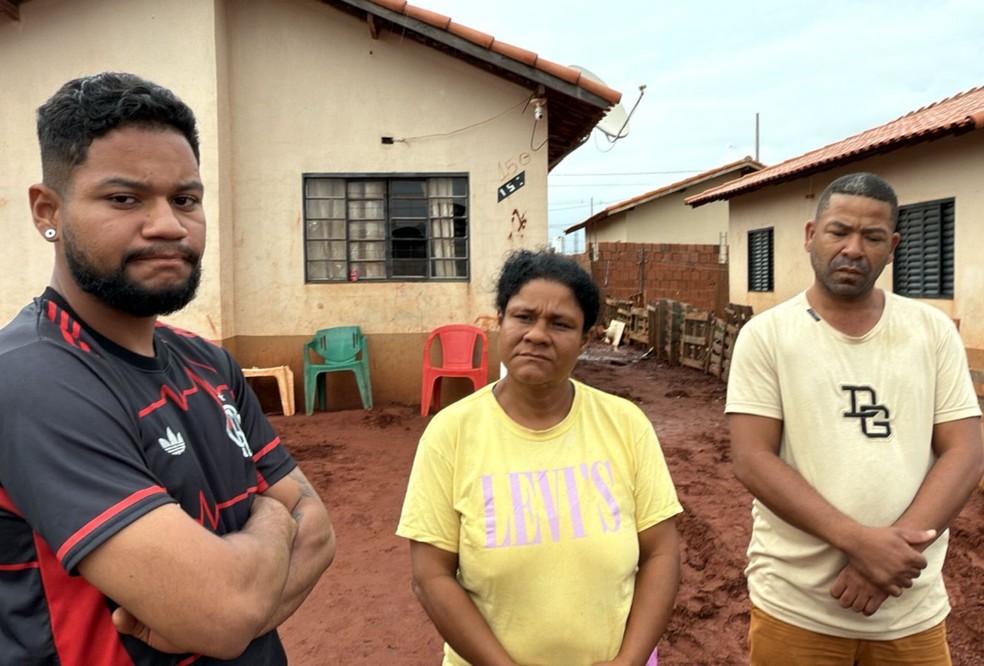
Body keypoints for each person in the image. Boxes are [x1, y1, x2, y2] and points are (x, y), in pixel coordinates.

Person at [0, 72, 336, 664]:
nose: (169, 225)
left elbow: (319, 531)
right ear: (47, 209)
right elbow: (223, 609)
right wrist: (272, 523)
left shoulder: (209, 364)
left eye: (185, 200)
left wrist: (238, 609)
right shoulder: (30, 379)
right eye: (124, 199)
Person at [726, 172, 984, 665]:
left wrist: (887, 562)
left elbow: (965, 454)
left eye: (872, 237)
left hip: (909, 606)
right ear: (811, 235)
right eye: (839, 231)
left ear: (893, 247)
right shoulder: (767, 336)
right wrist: (861, 544)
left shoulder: (931, 331)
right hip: (797, 606)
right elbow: (752, 459)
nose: (853, 249)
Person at [397, 248, 682, 665]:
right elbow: (431, 576)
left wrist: (629, 661)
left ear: (586, 339)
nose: (537, 334)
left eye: (560, 324)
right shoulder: (450, 434)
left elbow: (661, 554)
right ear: (500, 321)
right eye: (523, 316)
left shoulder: (626, 425)